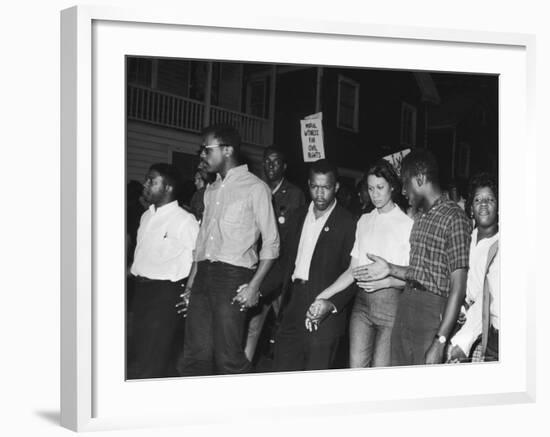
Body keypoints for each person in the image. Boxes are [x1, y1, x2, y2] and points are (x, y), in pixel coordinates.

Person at [354, 149, 472, 366]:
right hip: (406, 305)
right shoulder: (420, 217)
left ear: (419, 178)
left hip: (432, 310)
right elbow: (417, 271)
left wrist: (440, 341)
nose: (403, 191)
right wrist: (389, 268)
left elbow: (458, 286)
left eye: (405, 183)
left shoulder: (455, 218)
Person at [178, 124, 279, 376]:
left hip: (233, 277)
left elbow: (272, 243)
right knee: (195, 354)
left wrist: (254, 285)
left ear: (227, 150)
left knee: (228, 359)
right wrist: (191, 285)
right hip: (203, 276)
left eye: (206, 149)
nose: (202, 155)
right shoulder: (210, 190)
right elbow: (201, 244)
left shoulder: (255, 188)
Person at [307, 159, 413, 368]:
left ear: (392, 186)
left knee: (380, 373)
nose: (375, 194)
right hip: (362, 306)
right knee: (356, 369)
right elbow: (352, 271)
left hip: (391, 307)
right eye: (371, 188)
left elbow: (414, 276)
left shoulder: (407, 225)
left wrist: (387, 282)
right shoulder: (364, 221)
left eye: (380, 188)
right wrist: (322, 295)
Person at [269, 159, 356, 371]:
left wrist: (332, 303)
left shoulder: (348, 223)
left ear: (335, 187)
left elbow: (354, 274)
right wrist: (256, 289)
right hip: (293, 303)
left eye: (325, 188)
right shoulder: (297, 216)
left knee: (316, 382)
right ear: (308, 185)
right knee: (282, 373)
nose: (319, 194)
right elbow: (284, 264)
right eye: (315, 187)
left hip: (323, 308)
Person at [128, 163, 199, 379]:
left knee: (155, 359)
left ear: (168, 187)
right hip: (140, 292)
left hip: (165, 296)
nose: (146, 184)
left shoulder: (183, 220)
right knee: (141, 354)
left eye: (152, 181)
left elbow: (200, 255)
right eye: (147, 180)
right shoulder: (146, 216)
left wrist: (190, 290)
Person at [244, 146, 305, 362]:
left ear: (284, 166)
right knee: (253, 325)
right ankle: (242, 371)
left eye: (276, 161)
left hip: (284, 270)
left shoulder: (295, 195)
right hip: (259, 269)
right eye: (267, 161)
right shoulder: (255, 189)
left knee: (284, 326)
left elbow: (296, 239)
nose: (270, 165)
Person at [447, 173, 499, 362]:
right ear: (470, 207)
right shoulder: (465, 237)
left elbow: (489, 297)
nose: (483, 204)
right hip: (455, 319)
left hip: (482, 330)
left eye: (490, 199)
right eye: (478, 200)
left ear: (499, 207)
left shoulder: (501, 244)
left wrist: (464, 341)